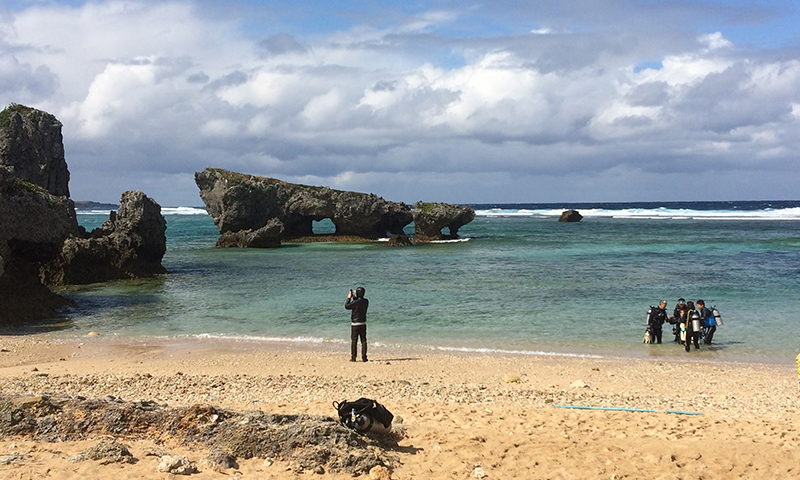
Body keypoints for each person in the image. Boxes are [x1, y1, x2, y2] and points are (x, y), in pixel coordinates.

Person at [345, 286, 369, 362]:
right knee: (363, 340)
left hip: (355, 324)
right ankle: (364, 357)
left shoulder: (355, 303)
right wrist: (354, 297)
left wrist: (349, 298)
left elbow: (347, 306)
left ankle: (353, 357)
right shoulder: (366, 301)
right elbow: (359, 302)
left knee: (354, 341)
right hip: (363, 323)